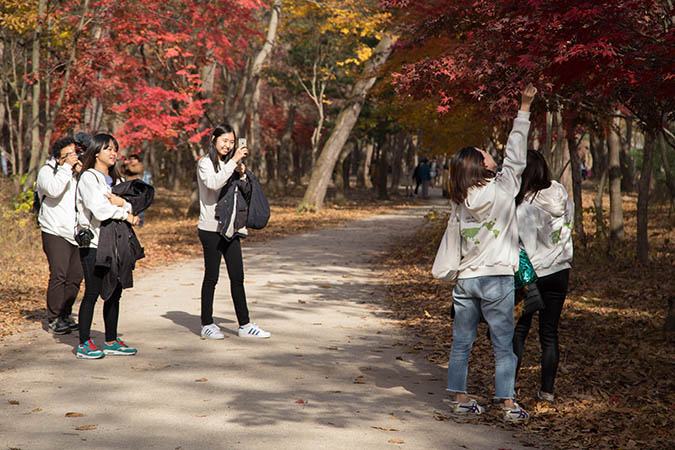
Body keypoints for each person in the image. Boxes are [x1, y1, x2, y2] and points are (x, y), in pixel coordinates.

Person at [445, 83, 537, 423]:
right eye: (484, 153)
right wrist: (524, 109)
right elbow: (516, 155)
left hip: (466, 280)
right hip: (497, 277)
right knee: (502, 344)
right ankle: (508, 404)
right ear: (479, 164)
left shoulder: (461, 200)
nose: (490, 154)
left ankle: (459, 397)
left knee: (462, 343)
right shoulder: (502, 190)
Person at [196, 123, 270, 340]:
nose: (228, 145)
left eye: (231, 142)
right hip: (210, 228)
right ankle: (207, 323)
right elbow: (213, 184)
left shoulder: (232, 164)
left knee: (237, 277)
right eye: (224, 141)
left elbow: (243, 193)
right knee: (211, 277)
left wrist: (243, 175)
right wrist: (233, 164)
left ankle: (245, 324)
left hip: (232, 228)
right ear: (213, 139)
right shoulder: (204, 163)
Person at [512, 150, 573, 403]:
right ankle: (547, 391)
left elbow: (520, 245)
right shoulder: (561, 192)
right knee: (549, 333)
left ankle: (508, 387)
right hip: (560, 270)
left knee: (520, 330)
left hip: (532, 275)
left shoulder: (524, 205)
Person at [75, 133, 141, 359]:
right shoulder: (88, 178)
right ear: (95, 152)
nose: (114, 153)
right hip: (94, 242)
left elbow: (134, 204)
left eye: (115, 149)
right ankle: (84, 343)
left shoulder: (117, 180)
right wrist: (126, 213)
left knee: (115, 291)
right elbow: (100, 210)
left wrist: (123, 204)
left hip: (117, 242)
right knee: (93, 292)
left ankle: (111, 340)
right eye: (108, 149)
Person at [36, 137, 83, 335]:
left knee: (75, 277)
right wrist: (66, 168)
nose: (74, 157)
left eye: (76, 153)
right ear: (58, 158)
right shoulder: (47, 172)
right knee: (59, 274)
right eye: (69, 155)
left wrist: (83, 174)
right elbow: (54, 191)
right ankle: (54, 317)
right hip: (54, 230)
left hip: (77, 233)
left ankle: (65, 313)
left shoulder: (78, 174)